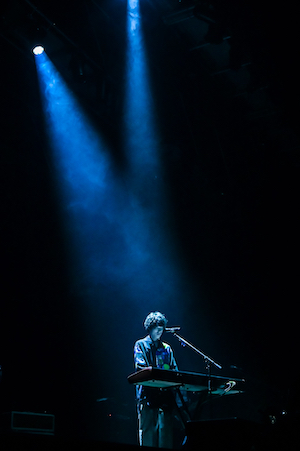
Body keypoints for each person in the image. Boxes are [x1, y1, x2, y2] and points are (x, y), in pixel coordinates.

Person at [134, 311, 178, 448]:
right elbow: (140, 368)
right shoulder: (140, 345)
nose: (160, 332)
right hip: (147, 396)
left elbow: (174, 370)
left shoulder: (167, 348)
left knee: (165, 435)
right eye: (157, 329)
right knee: (147, 433)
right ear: (150, 328)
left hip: (165, 398)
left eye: (162, 329)